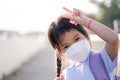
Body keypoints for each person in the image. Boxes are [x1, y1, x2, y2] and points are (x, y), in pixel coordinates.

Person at [47, 7, 119, 80]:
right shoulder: (67, 75)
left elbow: (113, 39)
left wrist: (86, 21)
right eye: (66, 46)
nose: (75, 47)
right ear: (60, 53)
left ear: (86, 36)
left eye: (77, 39)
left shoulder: (102, 59)